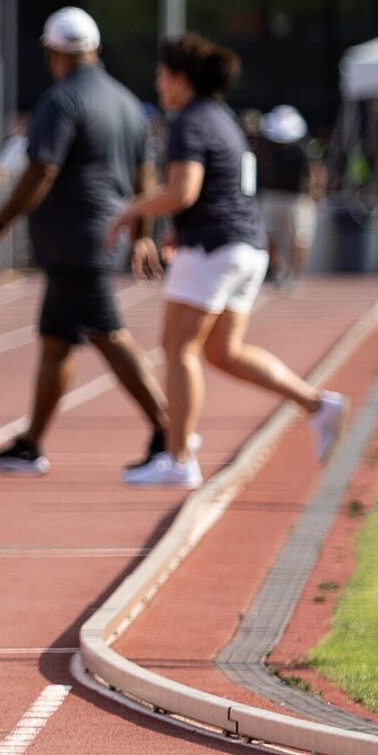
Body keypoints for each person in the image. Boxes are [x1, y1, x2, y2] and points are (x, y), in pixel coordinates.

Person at [110, 33, 344, 487]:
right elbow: (223, 189)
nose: (157, 82)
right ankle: (317, 404)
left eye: (162, 74)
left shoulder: (190, 122)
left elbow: (184, 191)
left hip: (216, 248)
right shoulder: (224, 120)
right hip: (245, 247)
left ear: (181, 79)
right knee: (223, 351)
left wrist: (131, 210)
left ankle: (179, 459)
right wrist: (182, 228)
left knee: (179, 349)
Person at [0, 7, 170, 477]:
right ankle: (31, 443)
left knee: (107, 333)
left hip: (77, 239)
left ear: (53, 52)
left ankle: (171, 428)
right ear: (95, 49)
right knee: (57, 342)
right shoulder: (126, 102)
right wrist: (142, 237)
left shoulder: (61, 101)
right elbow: (146, 176)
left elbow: (42, 168)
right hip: (97, 236)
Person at [256, 104, 321, 284]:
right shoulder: (267, 146)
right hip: (272, 196)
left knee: (299, 237)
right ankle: (276, 270)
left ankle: (295, 274)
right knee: (269, 235)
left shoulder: (303, 147)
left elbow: (315, 171)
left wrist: (315, 192)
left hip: (296, 198)